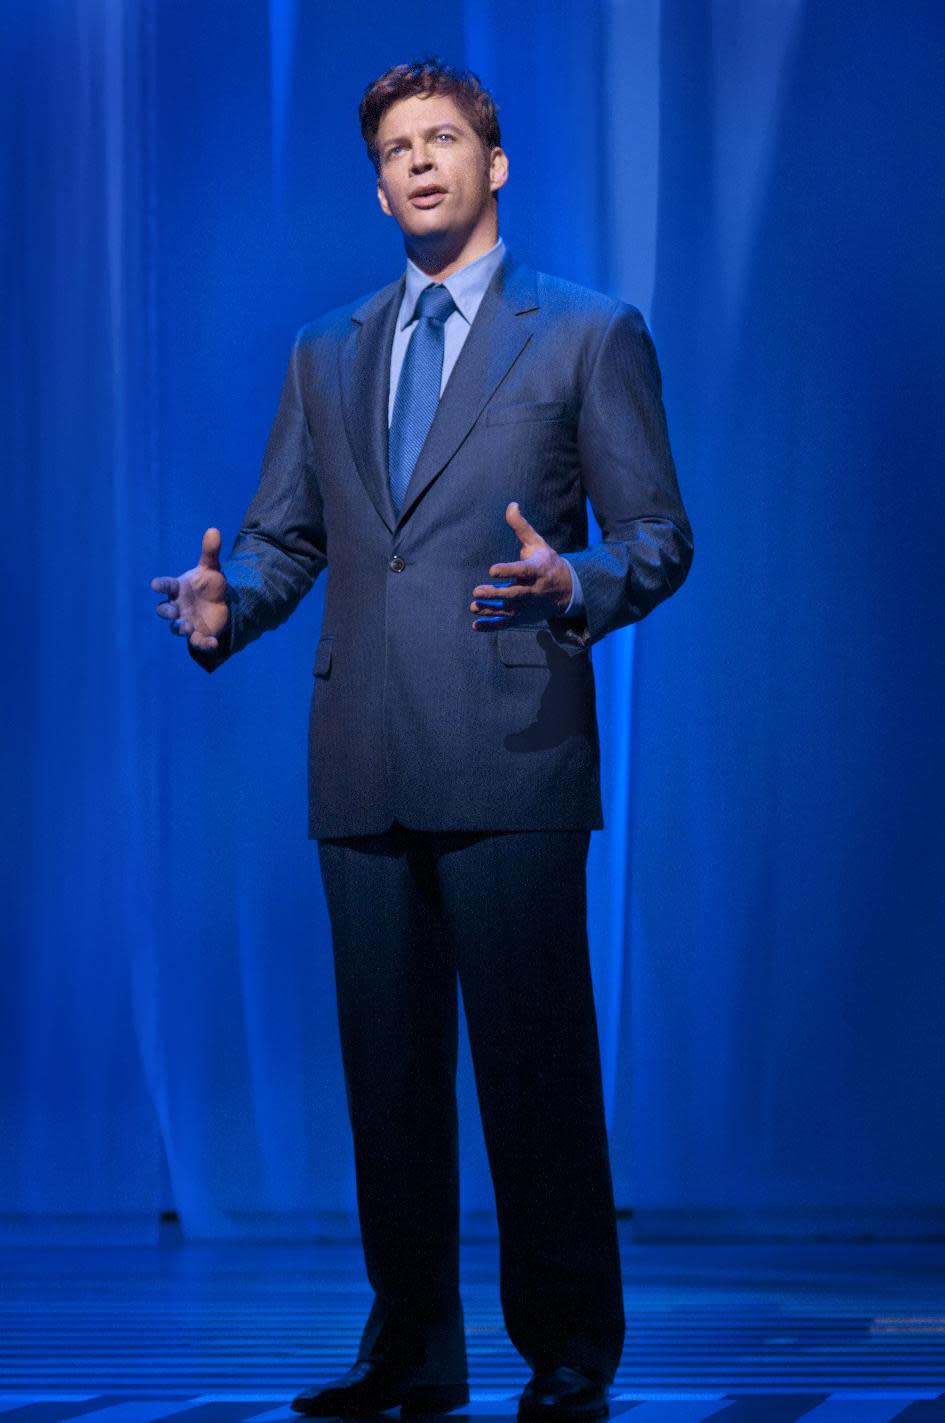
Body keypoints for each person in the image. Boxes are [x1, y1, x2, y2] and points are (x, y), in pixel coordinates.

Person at [151, 57, 692, 1423]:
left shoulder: (583, 331)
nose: (420, 162)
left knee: (533, 1074)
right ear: (378, 179)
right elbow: (286, 536)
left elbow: (656, 536)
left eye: (442, 138)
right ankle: (411, 1349)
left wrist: (585, 581)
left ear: (492, 165)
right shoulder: (329, 347)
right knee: (386, 1082)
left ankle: (569, 1352)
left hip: (510, 747)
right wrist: (233, 607)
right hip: (362, 755)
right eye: (397, 147)